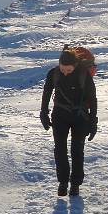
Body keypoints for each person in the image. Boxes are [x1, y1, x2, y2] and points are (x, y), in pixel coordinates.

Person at [40, 50, 98, 196]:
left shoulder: (84, 75)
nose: (65, 73)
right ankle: (63, 182)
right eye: (62, 69)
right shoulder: (54, 73)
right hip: (60, 114)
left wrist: (93, 122)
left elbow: (93, 99)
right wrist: (43, 113)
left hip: (80, 116)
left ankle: (75, 184)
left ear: (75, 66)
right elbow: (46, 93)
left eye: (69, 70)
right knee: (60, 150)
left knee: (77, 150)